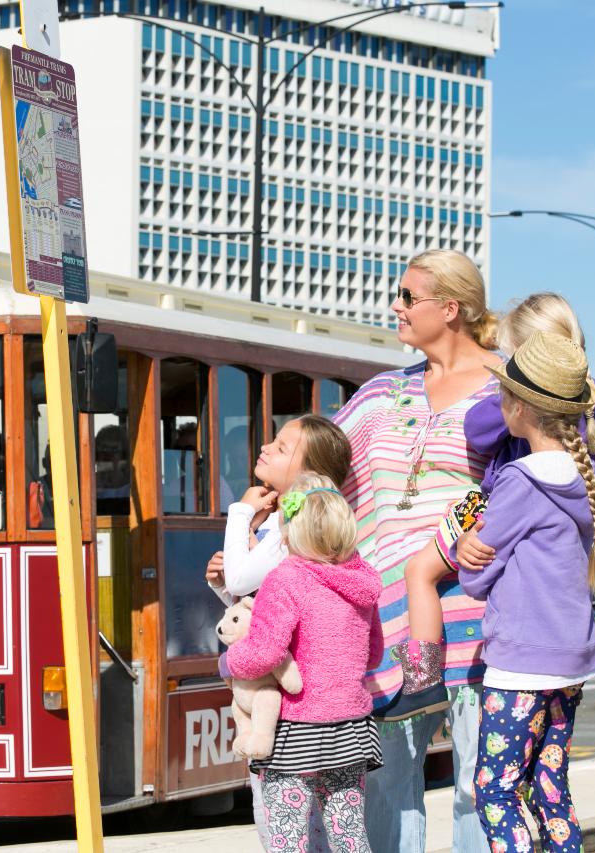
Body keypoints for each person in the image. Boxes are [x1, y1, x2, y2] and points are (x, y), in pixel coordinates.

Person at [332, 248, 498, 852]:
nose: (395, 307)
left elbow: (539, 477)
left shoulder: (510, 388)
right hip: (383, 618)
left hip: (481, 615)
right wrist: (261, 515)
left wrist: (480, 528)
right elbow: (321, 470)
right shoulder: (380, 394)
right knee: (384, 779)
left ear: (450, 308)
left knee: (480, 784)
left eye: (408, 296)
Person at [391, 293, 595, 720]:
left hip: (495, 506)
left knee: (419, 570)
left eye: (510, 358)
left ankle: (423, 681)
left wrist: (510, 387)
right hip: (565, 634)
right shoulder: (588, 398)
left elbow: (477, 429)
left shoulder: (531, 420)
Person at [456, 330, 595, 853]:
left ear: (518, 409)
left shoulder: (520, 481)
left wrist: (464, 546)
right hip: (571, 659)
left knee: (494, 791)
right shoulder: (587, 480)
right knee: (549, 788)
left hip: (521, 662)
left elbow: (475, 575)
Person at [206, 414, 353, 851]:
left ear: (310, 473)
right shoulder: (290, 523)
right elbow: (252, 601)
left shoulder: (293, 525)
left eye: (282, 447)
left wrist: (241, 514)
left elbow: (242, 582)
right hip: (311, 705)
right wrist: (223, 587)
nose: (267, 447)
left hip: (290, 710)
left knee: (287, 826)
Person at [225, 473, 384, 853]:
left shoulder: (286, 579)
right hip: (351, 729)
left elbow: (263, 653)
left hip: (297, 730)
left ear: (287, 532)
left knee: (287, 837)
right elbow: (374, 654)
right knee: (349, 834)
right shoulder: (361, 582)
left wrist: (230, 661)